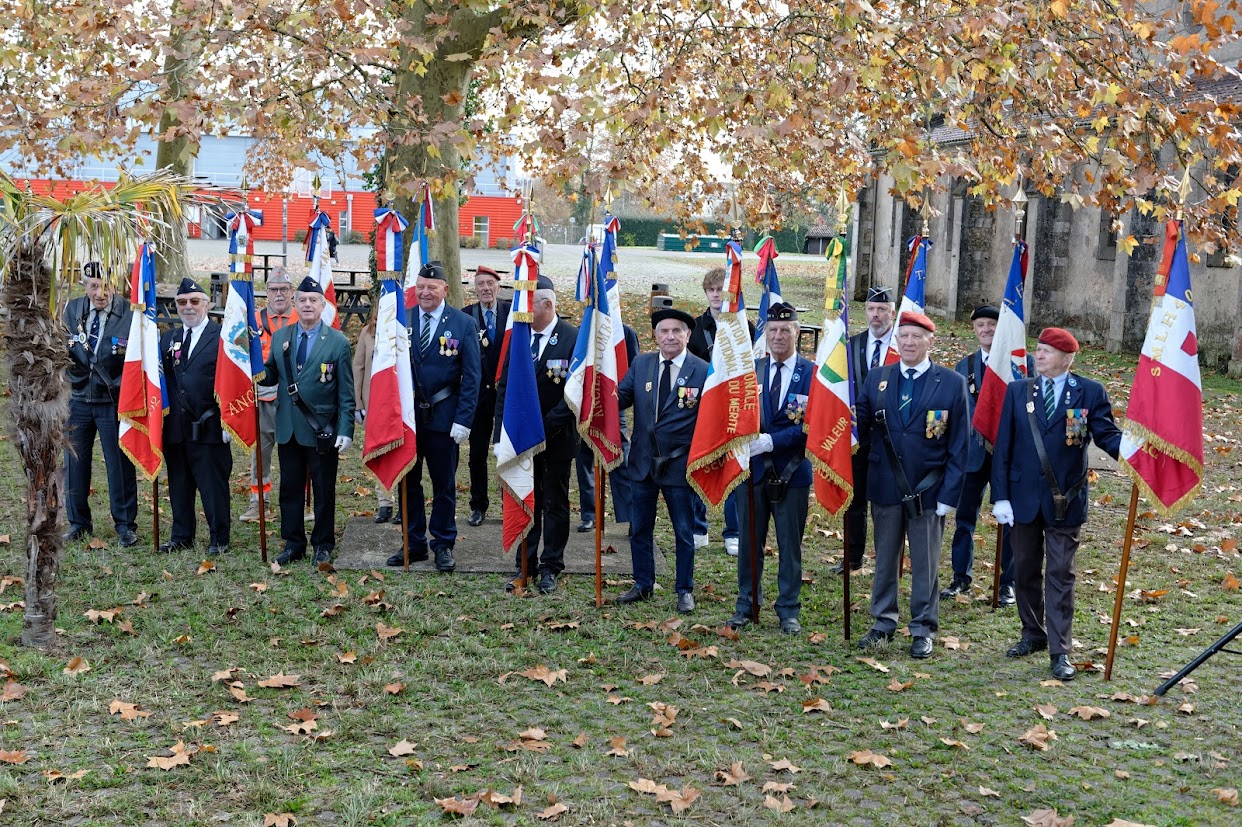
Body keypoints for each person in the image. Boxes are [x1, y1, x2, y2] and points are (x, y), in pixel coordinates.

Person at [990, 327, 1122, 681]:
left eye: (1048, 351)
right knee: (1025, 570)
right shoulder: (1019, 391)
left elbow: (1106, 434)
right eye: (1039, 349)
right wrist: (1000, 495)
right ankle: (1032, 633)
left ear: (1068, 359)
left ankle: (1060, 649)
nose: (1040, 355)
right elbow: (1003, 446)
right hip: (1021, 500)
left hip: (1066, 499)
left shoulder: (1089, 392)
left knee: (1061, 574)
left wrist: (1136, 452)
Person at [854, 311, 969, 659]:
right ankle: (883, 621)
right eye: (902, 337)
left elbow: (961, 445)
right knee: (885, 558)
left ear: (930, 342)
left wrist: (950, 496)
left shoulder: (950, 383)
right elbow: (858, 425)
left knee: (926, 562)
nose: (908, 343)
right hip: (886, 486)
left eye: (916, 337)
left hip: (928, 491)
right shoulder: (878, 379)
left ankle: (922, 627)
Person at [726, 303, 813, 634]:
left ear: (797, 333)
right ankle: (747, 603)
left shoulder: (813, 373)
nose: (778, 336)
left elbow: (813, 424)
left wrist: (772, 441)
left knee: (790, 545)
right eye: (773, 330)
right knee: (750, 542)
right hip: (752, 473)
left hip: (792, 473)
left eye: (785, 330)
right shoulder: (751, 371)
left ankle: (788, 609)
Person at [615, 307, 709, 614]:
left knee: (684, 531)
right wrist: (598, 390)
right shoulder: (641, 363)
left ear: (687, 335)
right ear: (655, 336)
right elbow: (622, 397)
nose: (670, 336)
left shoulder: (702, 370)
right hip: (642, 464)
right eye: (664, 331)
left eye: (676, 331)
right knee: (639, 528)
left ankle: (684, 589)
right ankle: (643, 583)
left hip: (679, 466)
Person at [388, 261, 480, 571]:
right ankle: (413, 544)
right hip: (409, 420)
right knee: (409, 483)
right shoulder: (403, 320)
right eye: (421, 287)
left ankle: (443, 543)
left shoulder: (463, 324)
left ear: (445, 289)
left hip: (445, 419)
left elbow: (472, 377)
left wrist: (464, 420)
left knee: (444, 485)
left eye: (432, 287)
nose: (425, 292)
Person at [260, 277, 356, 566]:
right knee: (289, 488)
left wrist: (346, 429)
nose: (307, 305)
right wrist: (249, 362)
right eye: (302, 300)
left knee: (324, 489)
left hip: (321, 430)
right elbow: (271, 375)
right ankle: (293, 543)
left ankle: (323, 543)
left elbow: (345, 391)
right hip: (288, 427)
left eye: (313, 300)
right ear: (294, 303)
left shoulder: (337, 342)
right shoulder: (281, 337)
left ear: (322, 305)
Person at [943, 305, 1034, 605]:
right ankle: (960, 577)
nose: (986, 330)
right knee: (964, 518)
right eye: (980, 325)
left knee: (1010, 520)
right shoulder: (963, 367)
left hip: (1008, 455)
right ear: (974, 330)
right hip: (972, 454)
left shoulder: (1022, 364)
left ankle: (1007, 582)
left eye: (992, 325)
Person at [493, 276, 578, 593]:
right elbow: (505, 389)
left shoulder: (572, 338)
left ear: (547, 305)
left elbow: (575, 393)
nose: (521, 311)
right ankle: (524, 565)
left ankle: (551, 566)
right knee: (524, 497)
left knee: (554, 502)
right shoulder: (519, 337)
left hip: (556, 438)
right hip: (519, 439)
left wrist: (540, 427)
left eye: (528, 305)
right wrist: (499, 434)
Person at [62, 261, 138, 547]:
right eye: (93, 286)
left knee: (118, 464)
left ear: (115, 285)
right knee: (75, 463)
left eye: (105, 285)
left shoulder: (130, 313)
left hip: (113, 400)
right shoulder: (73, 310)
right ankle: (78, 523)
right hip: (79, 398)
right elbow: (63, 349)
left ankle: (125, 524)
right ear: (85, 286)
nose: (100, 293)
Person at [159, 278, 232, 555]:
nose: (188, 307)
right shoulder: (169, 338)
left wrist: (228, 419)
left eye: (194, 301)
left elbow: (233, 383)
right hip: (175, 426)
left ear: (207, 304)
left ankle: (219, 537)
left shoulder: (222, 337)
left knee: (212, 484)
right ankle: (181, 535)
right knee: (179, 482)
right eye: (182, 302)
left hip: (209, 423)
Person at [686, 267, 753, 556]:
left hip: (735, 406)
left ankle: (734, 531)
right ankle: (699, 527)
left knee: (734, 466)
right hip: (702, 408)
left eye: (721, 290)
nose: (716, 295)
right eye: (711, 290)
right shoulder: (695, 327)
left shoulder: (744, 327)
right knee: (701, 461)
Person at [835, 285, 897, 574]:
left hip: (891, 439)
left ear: (892, 312)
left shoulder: (902, 347)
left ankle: (887, 559)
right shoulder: (851, 345)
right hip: (856, 436)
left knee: (886, 503)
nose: (876, 315)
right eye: (871, 309)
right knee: (855, 499)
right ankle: (852, 557)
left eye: (882, 309)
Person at [240, 265, 296, 523]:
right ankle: (258, 501)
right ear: (266, 293)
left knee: (296, 451)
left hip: (293, 400)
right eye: (273, 290)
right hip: (261, 396)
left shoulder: (302, 317)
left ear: (292, 292)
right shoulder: (253, 320)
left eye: (284, 289)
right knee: (260, 452)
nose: (279, 294)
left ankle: (298, 500)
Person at [574, 323, 639, 531]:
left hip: (614, 404)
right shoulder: (583, 330)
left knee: (620, 459)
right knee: (584, 458)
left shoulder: (626, 332)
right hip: (587, 404)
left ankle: (630, 515)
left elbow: (633, 368)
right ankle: (589, 514)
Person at [462, 265, 510, 527]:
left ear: (498, 287)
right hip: (478, 396)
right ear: (475, 288)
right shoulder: (466, 316)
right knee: (477, 454)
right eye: (480, 284)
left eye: (489, 284)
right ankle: (478, 505)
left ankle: (508, 504)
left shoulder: (512, 313)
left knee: (506, 452)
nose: (485, 289)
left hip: (506, 395)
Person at [353, 300, 398, 523]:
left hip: (398, 406)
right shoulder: (367, 333)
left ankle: (403, 502)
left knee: (399, 453)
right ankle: (384, 502)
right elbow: (358, 367)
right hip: (373, 404)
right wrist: (358, 404)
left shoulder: (403, 331)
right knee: (379, 453)